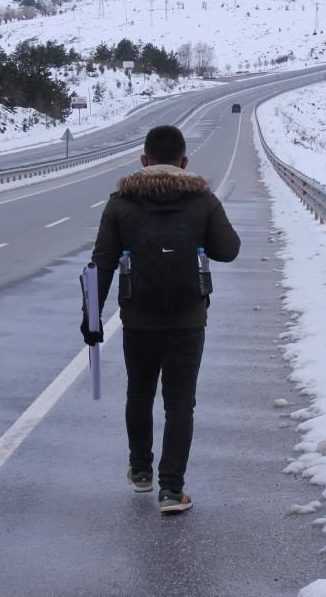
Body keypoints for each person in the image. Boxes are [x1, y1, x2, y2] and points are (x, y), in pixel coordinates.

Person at [82, 125, 241, 514]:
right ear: (185, 162)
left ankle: (140, 471)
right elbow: (229, 250)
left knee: (139, 393)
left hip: (138, 317)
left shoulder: (121, 202)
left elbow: (101, 262)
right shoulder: (201, 198)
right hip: (188, 319)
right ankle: (172, 491)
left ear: (143, 161)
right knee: (180, 403)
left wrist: (91, 317)